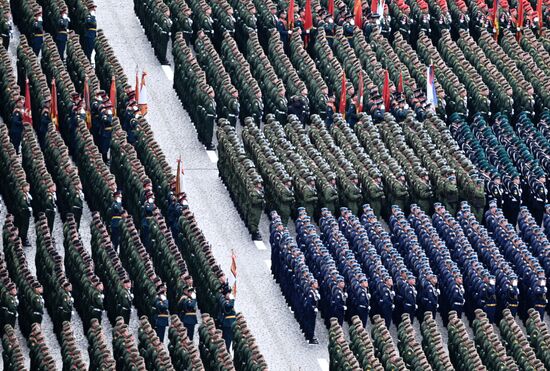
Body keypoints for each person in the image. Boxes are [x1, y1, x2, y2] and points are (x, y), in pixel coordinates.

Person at [177, 276, 198, 341]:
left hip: (191, 319)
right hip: (189, 319)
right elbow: (191, 306)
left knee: (190, 336)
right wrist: (194, 299)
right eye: (190, 292)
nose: (192, 293)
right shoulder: (186, 299)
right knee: (189, 336)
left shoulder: (188, 299)